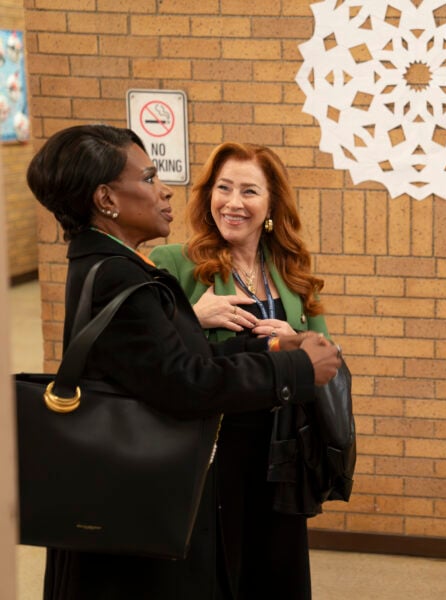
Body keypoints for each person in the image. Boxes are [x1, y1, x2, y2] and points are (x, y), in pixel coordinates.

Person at [26, 124, 342, 600]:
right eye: (150, 177)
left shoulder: (111, 265)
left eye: (250, 190)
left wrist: (272, 348)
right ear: (107, 199)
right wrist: (292, 368)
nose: (165, 188)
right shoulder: (121, 274)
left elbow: (171, 360)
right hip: (175, 470)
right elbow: (185, 381)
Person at [149, 142, 328, 599]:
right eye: (223, 188)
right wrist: (193, 316)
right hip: (214, 448)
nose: (233, 202)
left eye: (249, 191)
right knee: (220, 572)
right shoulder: (174, 263)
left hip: (282, 448)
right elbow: (151, 355)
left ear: (271, 205)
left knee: (277, 570)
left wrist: (294, 338)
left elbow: (327, 354)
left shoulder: (291, 269)